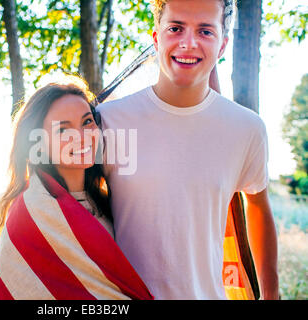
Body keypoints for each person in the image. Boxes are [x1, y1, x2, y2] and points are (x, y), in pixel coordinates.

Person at [96, 0, 279, 299]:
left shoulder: (246, 129)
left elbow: (257, 206)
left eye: (205, 31)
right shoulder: (109, 120)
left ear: (222, 47)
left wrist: (272, 295)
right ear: (156, 38)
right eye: (175, 28)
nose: (188, 43)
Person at [0, 76, 153, 300]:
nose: (82, 137)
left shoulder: (108, 200)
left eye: (87, 122)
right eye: (63, 130)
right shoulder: (31, 214)